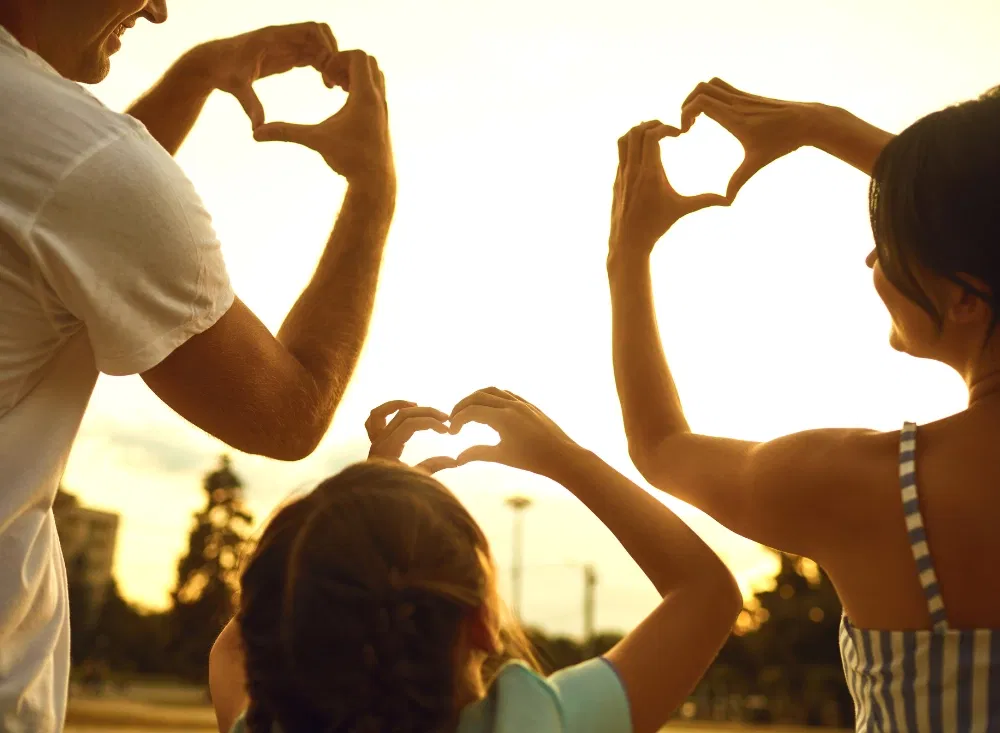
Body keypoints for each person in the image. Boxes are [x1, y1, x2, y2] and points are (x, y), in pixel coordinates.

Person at [0, 1, 396, 727]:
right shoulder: (83, 166)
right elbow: (289, 412)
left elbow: (70, 205)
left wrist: (197, 75)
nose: (156, 9)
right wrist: (372, 190)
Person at [608, 80, 1000, 730]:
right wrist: (825, 126)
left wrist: (627, 255)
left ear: (965, 300)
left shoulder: (873, 486)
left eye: (893, 238)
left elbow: (660, 446)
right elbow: (977, 212)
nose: (873, 255)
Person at [207, 391, 742, 733]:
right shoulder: (540, 726)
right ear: (483, 623)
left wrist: (355, 505)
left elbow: (232, 650)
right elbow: (707, 592)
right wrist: (566, 459)